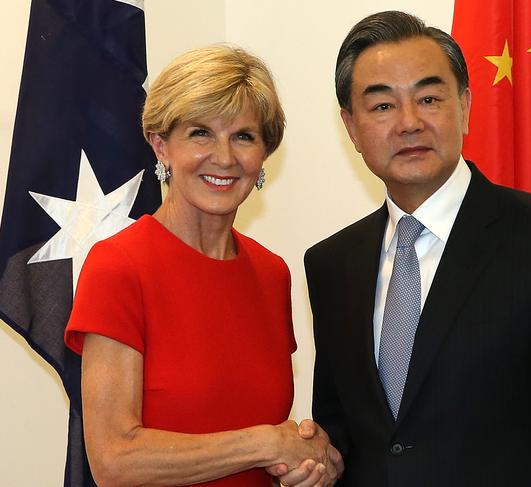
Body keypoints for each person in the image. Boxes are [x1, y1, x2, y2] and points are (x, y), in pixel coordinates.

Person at [303, 10, 531, 486]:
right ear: (351, 127)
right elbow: (346, 433)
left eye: (430, 98)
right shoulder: (332, 264)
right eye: (382, 107)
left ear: (466, 106)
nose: (409, 123)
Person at [64, 44, 341, 487]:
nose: (225, 157)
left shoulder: (272, 274)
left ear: (264, 155)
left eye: (244, 136)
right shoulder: (119, 266)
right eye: (200, 133)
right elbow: (115, 461)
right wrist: (266, 444)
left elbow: (263, 449)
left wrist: (311, 465)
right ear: (161, 146)